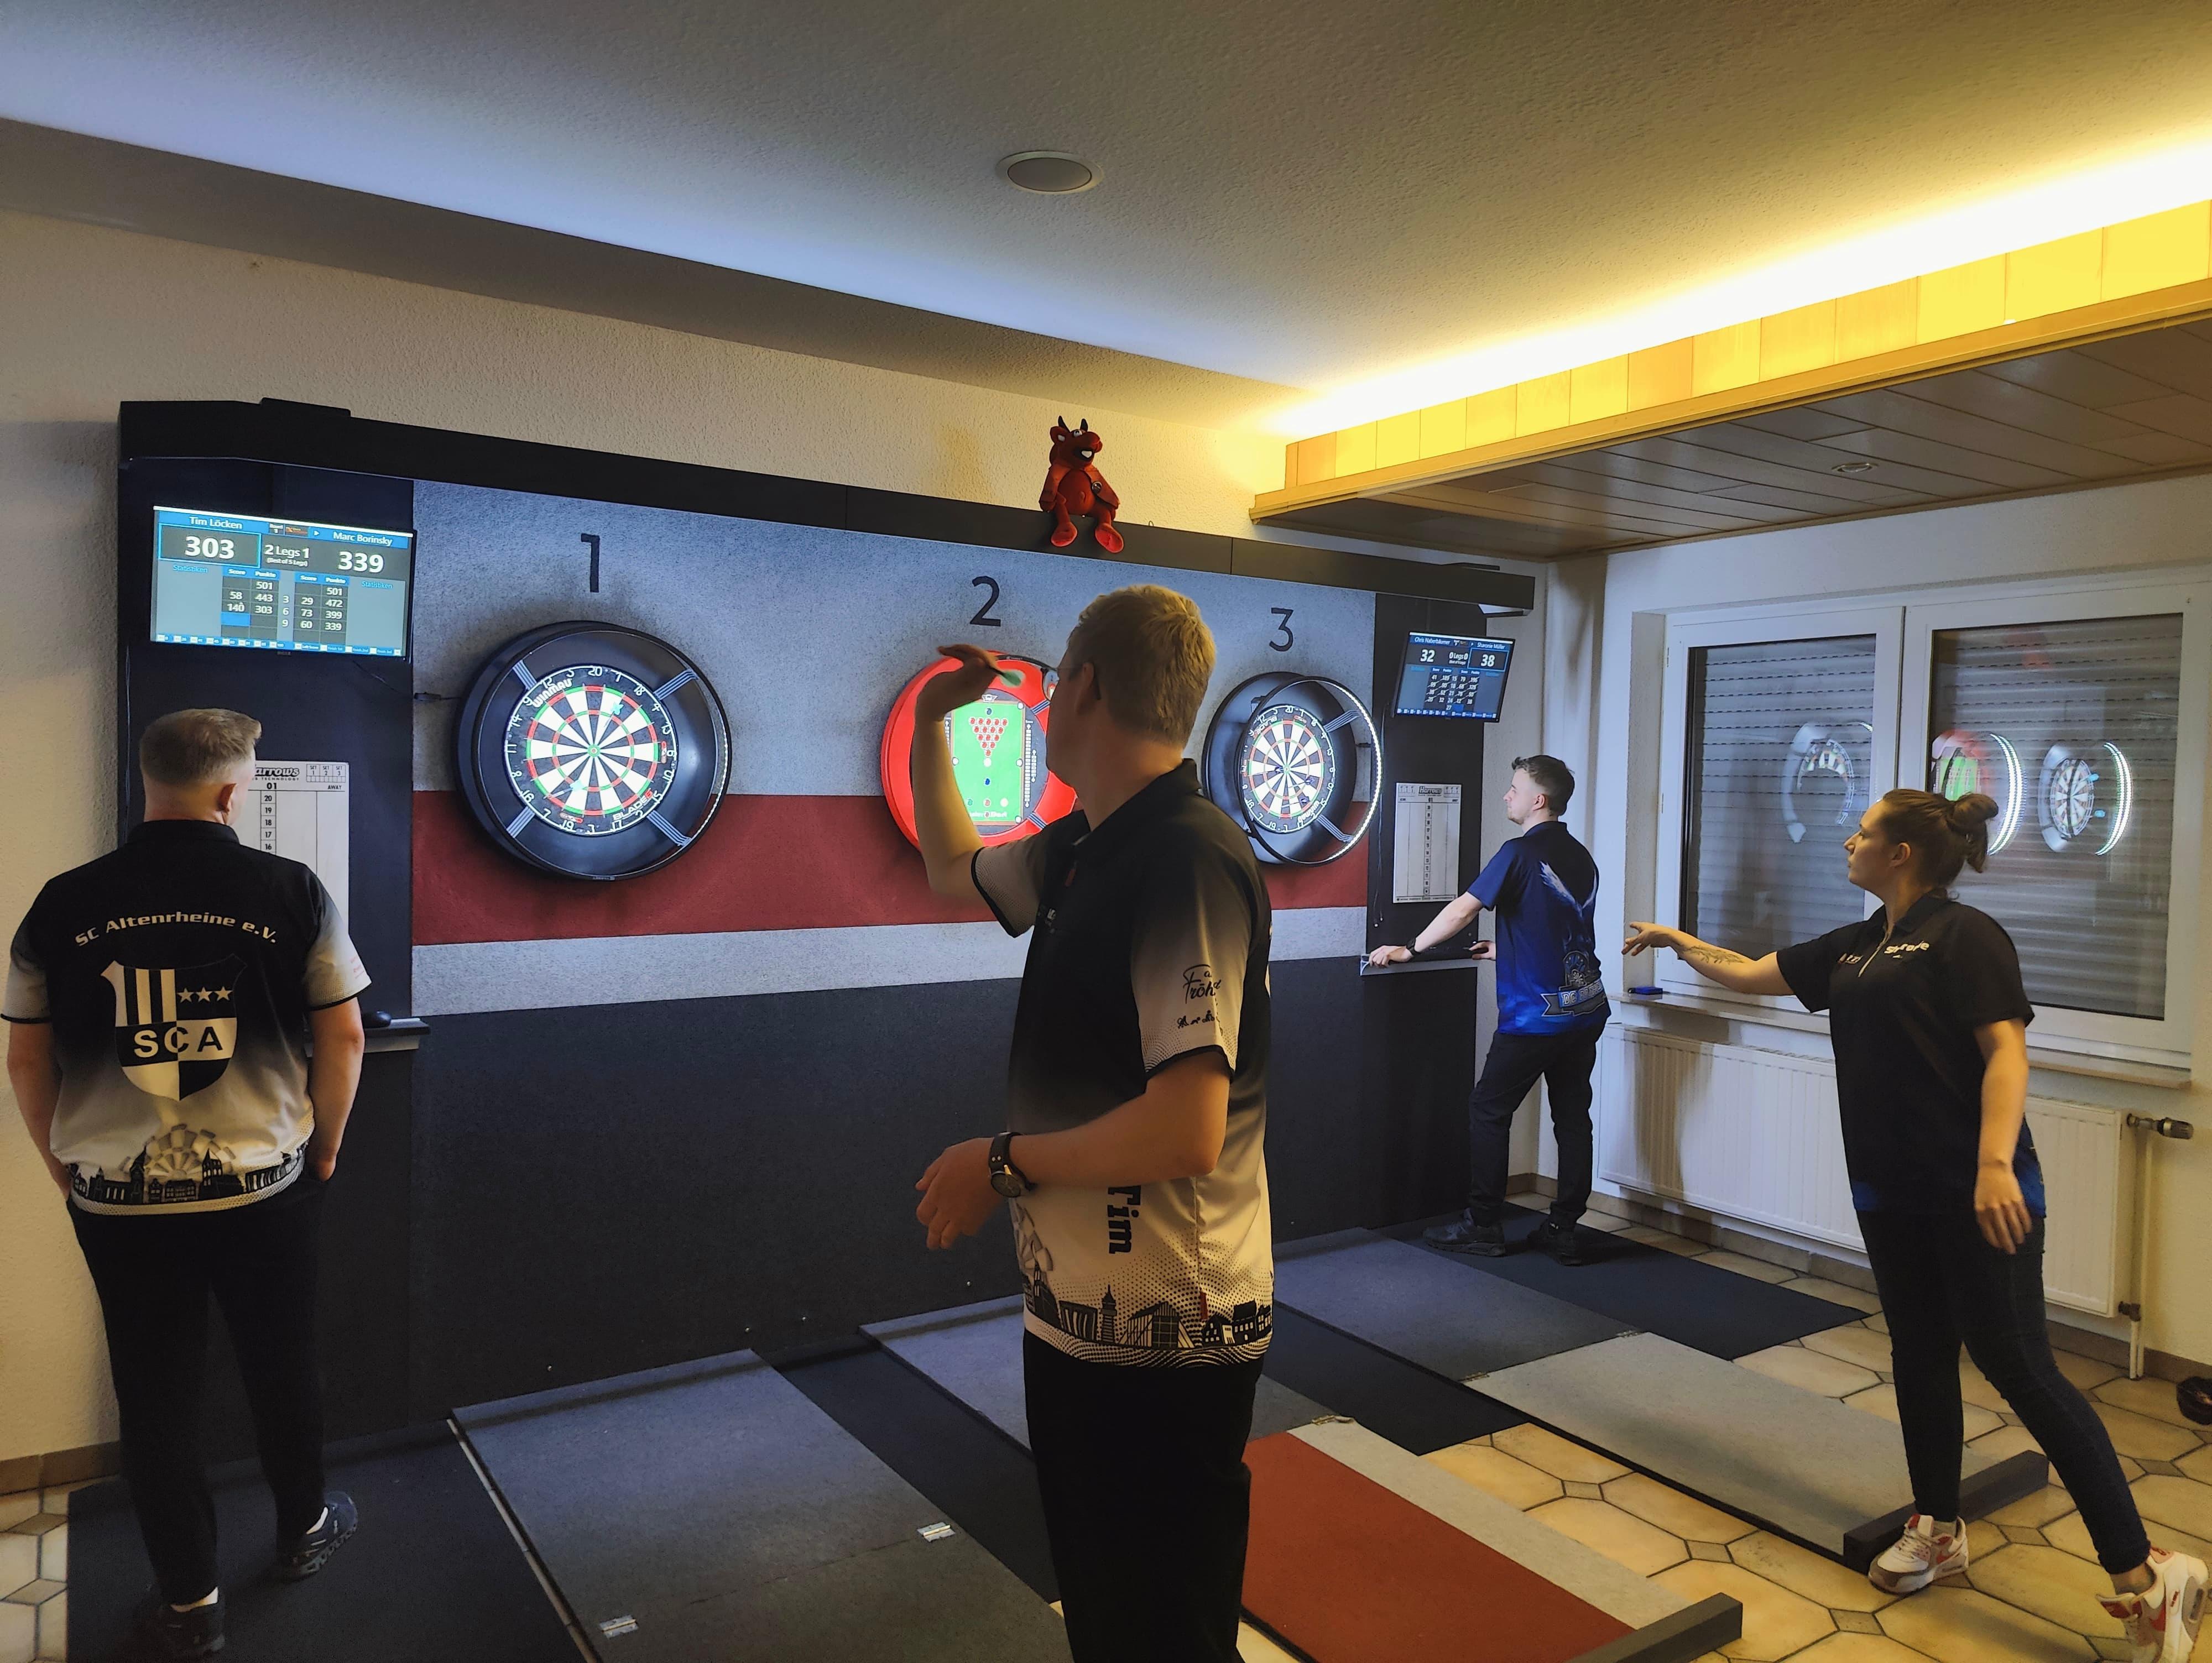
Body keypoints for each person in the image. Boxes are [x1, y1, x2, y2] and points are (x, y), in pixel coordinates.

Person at [1626, 789, 2205, 1659]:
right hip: (1889, 1193)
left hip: (1976, 1193)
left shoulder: (1966, 935)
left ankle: (2149, 1573)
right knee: (1921, 1355)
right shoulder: (1859, 944)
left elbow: (2006, 1052)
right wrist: (1679, 942)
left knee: (2022, 1369)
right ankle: (1938, 1526)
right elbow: (1749, 973)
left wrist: (1994, 1166)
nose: (1849, 840)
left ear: (1900, 854)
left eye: (1863, 832)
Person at [907, 586, 1271, 1663]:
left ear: (1086, 687)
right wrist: (932, 721)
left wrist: (999, 1163)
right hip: (1080, 1320)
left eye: (1061, 671)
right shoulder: (1085, 847)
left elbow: (1186, 1129)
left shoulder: (1183, 858)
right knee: (1114, 1623)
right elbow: (949, 867)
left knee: (1163, 1631)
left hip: (1170, 1333)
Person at [4, 709, 371, 1660]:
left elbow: (25, 1056)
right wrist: (325, 1148)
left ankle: (189, 1601)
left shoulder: (61, 902)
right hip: (266, 1187)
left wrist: (57, 1161)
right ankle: (303, 1530)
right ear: (232, 790)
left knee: (154, 1388)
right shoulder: (291, 889)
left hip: (120, 1197)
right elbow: (344, 1035)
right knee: (282, 1363)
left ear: (147, 780)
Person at [1369, 754, 1609, 1262]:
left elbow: (1463, 909)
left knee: (1488, 1110)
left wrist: (1410, 948)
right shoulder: (1581, 856)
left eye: (1515, 788)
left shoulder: (1518, 852)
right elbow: (1565, 926)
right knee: (1572, 1117)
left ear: (1538, 800)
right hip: (1585, 1009)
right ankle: (1563, 1228)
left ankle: (1482, 1225)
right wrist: (1509, 949)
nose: (1507, 795)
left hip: (1534, 1019)